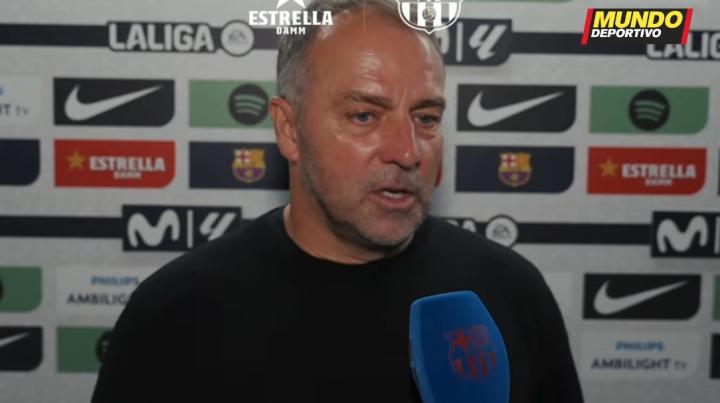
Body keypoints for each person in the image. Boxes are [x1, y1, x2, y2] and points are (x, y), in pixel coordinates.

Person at [91, 0, 584, 402]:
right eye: (364, 116)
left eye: (426, 118)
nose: (408, 151)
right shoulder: (175, 315)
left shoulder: (510, 293)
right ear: (289, 129)